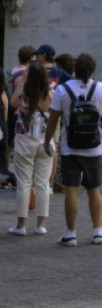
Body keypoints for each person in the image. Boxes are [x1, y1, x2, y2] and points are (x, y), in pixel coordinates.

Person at [43, 53, 102, 247]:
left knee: (72, 190)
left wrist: (47, 141)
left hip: (70, 147)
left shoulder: (62, 90)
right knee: (94, 190)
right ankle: (97, 231)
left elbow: (53, 121)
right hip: (94, 148)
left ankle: (71, 233)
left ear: (74, 69)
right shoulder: (100, 89)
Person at [8, 61, 53, 236]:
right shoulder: (49, 93)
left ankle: (21, 225)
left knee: (24, 184)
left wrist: (23, 82)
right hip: (45, 141)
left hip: (25, 141)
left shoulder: (23, 92)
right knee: (42, 183)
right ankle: (41, 224)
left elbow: (13, 103)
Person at [7, 45, 36, 150]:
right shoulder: (29, 72)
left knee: (10, 142)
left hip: (13, 108)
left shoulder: (14, 70)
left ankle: (5, 165)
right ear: (32, 57)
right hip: (24, 109)